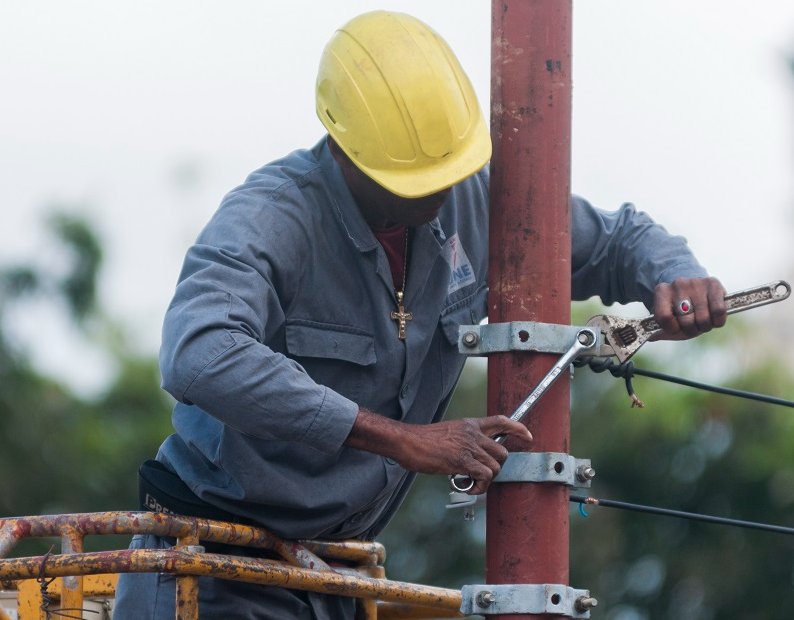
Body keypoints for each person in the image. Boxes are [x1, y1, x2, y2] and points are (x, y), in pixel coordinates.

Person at [114, 10, 727, 619]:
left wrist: (671, 273)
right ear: (344, 146)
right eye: (410, 181)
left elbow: (614, 239)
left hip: (334, 577)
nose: (436, 196)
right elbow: (200, 353)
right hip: (209, 570)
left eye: (447, 173)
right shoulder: (271, 218)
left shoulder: (470, 199)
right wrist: (404, 441)